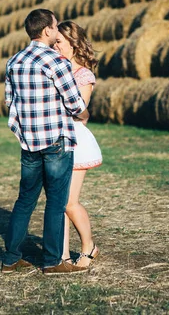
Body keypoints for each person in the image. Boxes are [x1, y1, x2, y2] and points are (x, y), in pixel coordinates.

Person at [2, 9, 90, 275]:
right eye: (55, 26)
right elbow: (75, 103)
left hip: (28, 143)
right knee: (55, 201)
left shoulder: (14, 62)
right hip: (55, 142)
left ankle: (10, 259)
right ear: (48, 30)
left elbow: (9, 101)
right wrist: (85, 113)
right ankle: (52, 261)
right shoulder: (56, 62)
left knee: (25, 200)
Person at [54, 21, 102, 268]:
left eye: (59, 42)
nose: (55, 46)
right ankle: (61, 255)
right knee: (58, 204)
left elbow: (81, 111)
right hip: (54, 139)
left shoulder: (83, 74)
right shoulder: (54, 69)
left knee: (68, 202)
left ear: (73, 43)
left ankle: (88, 246)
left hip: (75, 141)